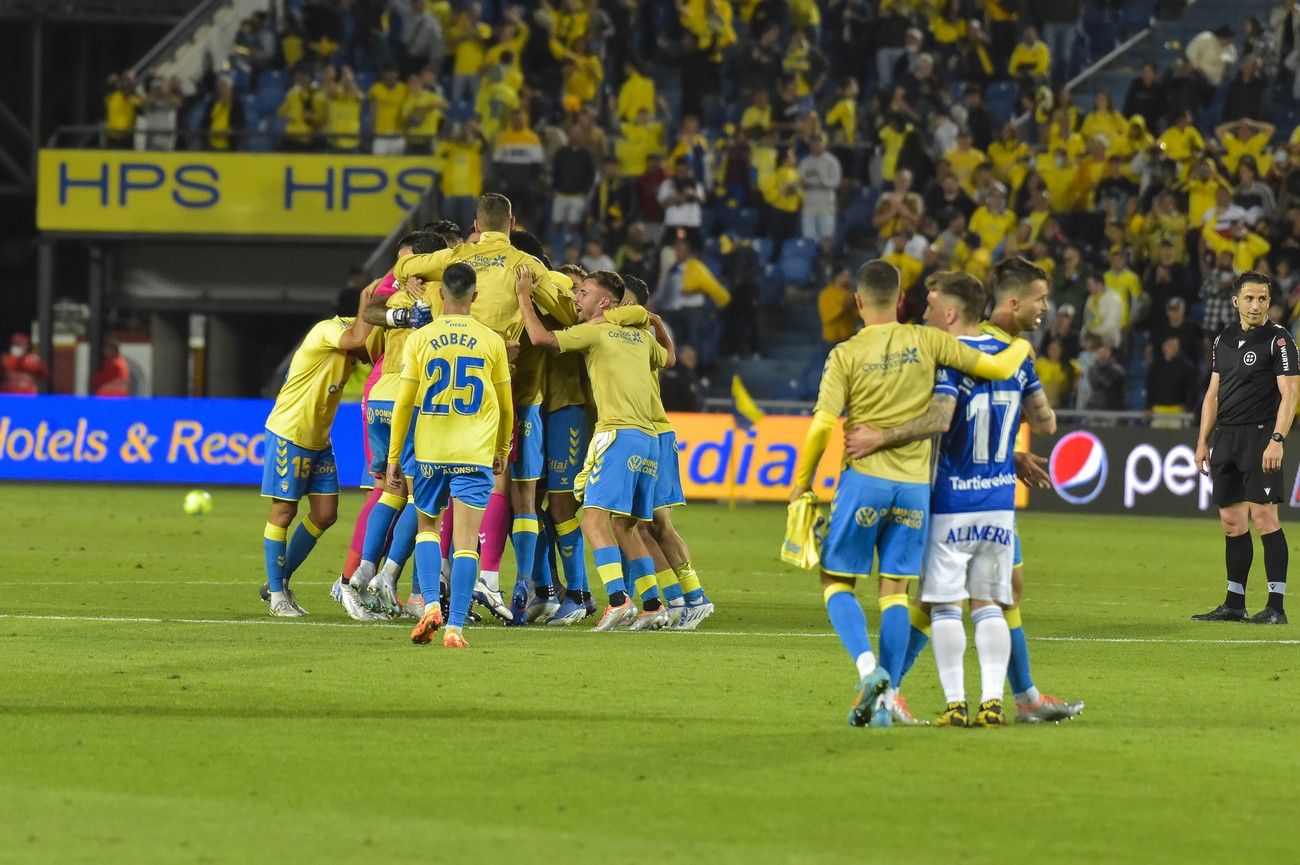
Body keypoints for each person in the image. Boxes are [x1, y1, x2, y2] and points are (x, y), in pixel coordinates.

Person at [786, 259, 1032, 728]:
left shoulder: (845, 354)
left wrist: (802, 484)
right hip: (916, 490)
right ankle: (888, 699)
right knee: (895, 592)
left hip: (864, 480)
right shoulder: (930, 340)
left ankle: (869, 671)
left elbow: (821, 425)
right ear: (901, 301)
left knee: (836, 582)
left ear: (858, 301)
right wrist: (1022, 341)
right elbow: (999, 366)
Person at [909, 271, 1058, 726]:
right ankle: (1004, 699)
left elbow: (944, 420)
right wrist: (1009, 451)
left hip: (953, 494)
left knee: (947, 599)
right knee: (992, 598)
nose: (1045, 308)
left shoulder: (955, 356)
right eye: (1041, 300)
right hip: (994, 496)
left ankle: (958, 700)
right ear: (1013, 303)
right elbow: (1044, 419)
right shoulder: (1011, 352)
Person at [514, 267, 673, 632]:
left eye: (583, 292)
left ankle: (618, 600)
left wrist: (524, 296)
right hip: (649, 441)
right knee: (626, 526)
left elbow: (540, 339)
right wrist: (656, 324)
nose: (576, 298)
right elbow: (670, 358)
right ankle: (652, 604)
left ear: (604, 301)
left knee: (591, 520)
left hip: (616, 435)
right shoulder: (639, 336)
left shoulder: (596, 332)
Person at [386, 262, 512, 649]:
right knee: (465, 542)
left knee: (427, 528)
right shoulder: (491, 341)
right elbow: (506, 407)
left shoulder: (421, 339)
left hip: (429, 450)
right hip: (474, 452)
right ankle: (455, 625)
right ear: (475, 297)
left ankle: (429, 607)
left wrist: (394, 456)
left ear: (441, 295)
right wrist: (501, 449)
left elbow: (404, 402)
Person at [260, 283, 381, 616]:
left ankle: (277, 579)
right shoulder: (329, 330)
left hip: (318, 439)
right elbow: (358, 340)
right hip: (290, 432)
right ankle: (277, 595)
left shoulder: (354, 338)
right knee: (283, 513)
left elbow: (368, 349)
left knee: (326, 514)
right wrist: (366, 307)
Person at [1193, 272, 1298, 625]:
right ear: (1236, 301)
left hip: (1260, 436)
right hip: (1226, 438)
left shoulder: (1279, 340)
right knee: (1232, 523)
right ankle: (1234, 603)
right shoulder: (1222, 339)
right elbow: (1213, 394)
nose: (1256, 305)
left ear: (1269, 302)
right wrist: (1202, 440)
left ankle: (1275, 606)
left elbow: (1291, 395)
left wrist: (1277, 440)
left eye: (1263, 299)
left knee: (1265, 518)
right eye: (1249, 298)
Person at [797, 133, 842, 248]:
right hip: (809, 204)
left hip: (826, 205)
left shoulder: (832, 161)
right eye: (813, 143)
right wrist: (803, 185)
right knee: (809, 239)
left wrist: (824, 182)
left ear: (824, 144)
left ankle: (826, 265)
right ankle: (811, 264)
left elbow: (836, 182)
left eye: (818, 143)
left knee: (826, 239)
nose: (816, 146)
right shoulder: (805, 162)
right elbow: (799, 181)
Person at [1146, 336, 1200, 418]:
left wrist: (1188, 406)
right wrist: (1149, 407)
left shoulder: (1186, 367)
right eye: (1168, 344)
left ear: (1178, 348)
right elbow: (1150, 387)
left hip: (1178, 410)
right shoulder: (1155, 367)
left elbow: (1192, 388)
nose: (1169, 347)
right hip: (1157, 410)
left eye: (1172, 345)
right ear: (1163, 347)